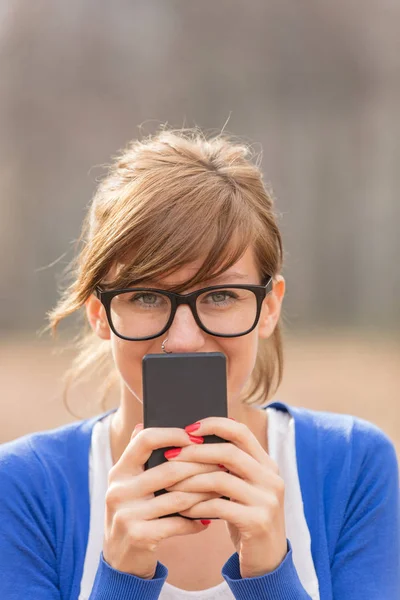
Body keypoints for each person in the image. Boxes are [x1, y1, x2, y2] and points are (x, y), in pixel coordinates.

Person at [0, 129, 398, 600]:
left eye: (221, 295)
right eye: (146, 295)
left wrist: (269, 576)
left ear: (268, 308)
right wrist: (122, 576)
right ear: (99, 314)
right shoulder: (24, 488)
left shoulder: (352, 465)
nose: (184, 339)